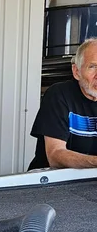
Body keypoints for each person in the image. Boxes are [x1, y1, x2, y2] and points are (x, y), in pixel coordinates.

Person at [30, 38, 97, 168]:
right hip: (54, 182)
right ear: (76, 72)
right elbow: (55, 155)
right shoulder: (59, 95)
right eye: (93, 67)